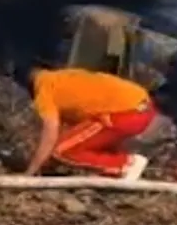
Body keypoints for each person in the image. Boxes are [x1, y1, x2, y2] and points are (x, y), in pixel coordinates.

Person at [19, 65, 155, 180]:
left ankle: (125, 164)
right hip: (143, 106)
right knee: (84, 142)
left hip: (125, 114)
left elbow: (50, 135)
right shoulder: (63, 76)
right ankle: (117, 170)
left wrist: (30, 172)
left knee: (63, 151)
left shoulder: (43, 90)